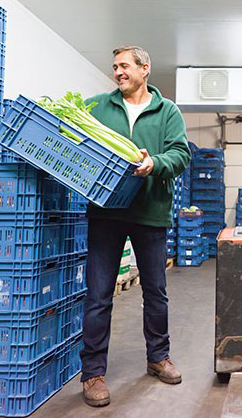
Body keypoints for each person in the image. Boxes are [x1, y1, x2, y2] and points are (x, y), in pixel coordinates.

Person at [79, 46, 191, 407]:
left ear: (145, 68)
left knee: (155, 292)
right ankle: (93, 373)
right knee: (98, 295)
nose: (118, 72)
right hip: (106, 211)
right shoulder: (97, 106)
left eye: (125, 66)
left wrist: (154, 163)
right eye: (115, 67)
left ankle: (158, 357)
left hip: (150, 211)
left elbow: (181, 153)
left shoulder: (167, 111)